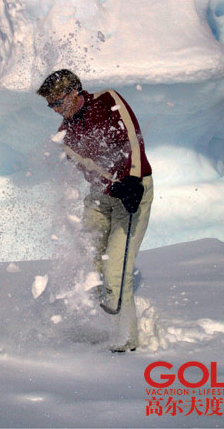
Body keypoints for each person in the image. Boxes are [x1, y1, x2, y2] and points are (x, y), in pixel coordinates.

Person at [37, 69, 153, 352]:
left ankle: (125, 344)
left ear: (74, 91)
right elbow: (87, 168)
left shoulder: (106, 100)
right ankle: (108, 323)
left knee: (116, 268)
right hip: (101, 197)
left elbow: (132, 138)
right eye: (50, 105)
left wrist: (132, 180)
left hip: (133, 191)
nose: (55, 110)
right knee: (93, 261)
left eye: (58, 102)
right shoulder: (64, 133)